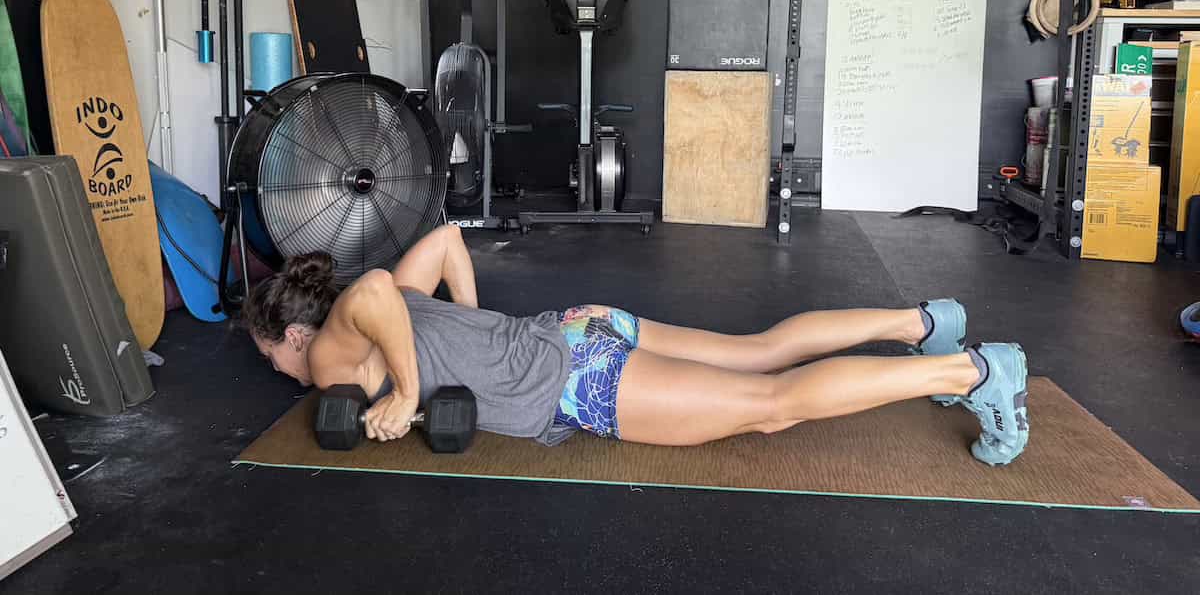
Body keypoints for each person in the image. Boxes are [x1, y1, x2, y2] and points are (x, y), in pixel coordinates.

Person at [243, 225, 1029, 465]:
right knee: (758, 351)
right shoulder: (385, 314)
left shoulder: (327, 358)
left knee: (771, 407)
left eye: (268, 353)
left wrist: (413, 394)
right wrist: (478, 343)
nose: (278, 370)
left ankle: (974, 369)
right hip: (576, 325)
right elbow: (446, 241)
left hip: (575, 376)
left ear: (297, 333)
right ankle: (925, 322)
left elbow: (374, 290)